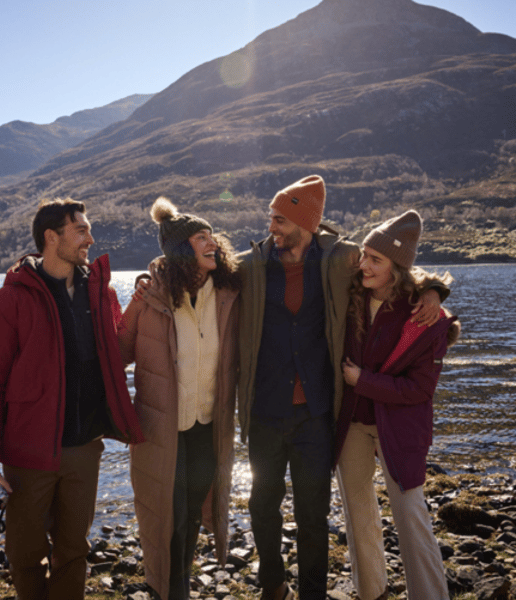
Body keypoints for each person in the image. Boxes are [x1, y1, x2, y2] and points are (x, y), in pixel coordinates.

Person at [237, 176, 447, 600]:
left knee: (321, 514)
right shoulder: (257, 266)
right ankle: (285, 586)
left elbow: (397, 268)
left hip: (329, 414)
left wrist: (433, 292)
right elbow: (205, 268)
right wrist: (161, 270)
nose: (271, 227)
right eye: (271, 218)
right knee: (273, 506)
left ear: (305, 222)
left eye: (280, 219)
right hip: (283, 411)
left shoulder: (341, 260)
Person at [0, 198, 144, 600]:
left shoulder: (101, 294)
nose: (90, 239)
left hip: (85, 448)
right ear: (52, 237)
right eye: (80, 230)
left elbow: (118, 353)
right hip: (28, 453)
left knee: (74, 550)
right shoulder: (8, 302)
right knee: (24, 553)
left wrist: (142, 300)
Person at [118, 197, 241, 600]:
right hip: (162, 429)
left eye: (211, 236)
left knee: (191, 512)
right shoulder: (151, 297)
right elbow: (117, 354)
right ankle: (171, 590)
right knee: (168, 515)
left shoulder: (228, 293)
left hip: (207, 425)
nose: (212, 243)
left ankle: (179, 587)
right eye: (201, 238)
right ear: (180, 250)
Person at [334, 210, 460, 600]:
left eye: (376, 259)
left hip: (401, 426)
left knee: (410, 514)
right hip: (352, 423)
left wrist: (362, 380)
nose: (364, 264)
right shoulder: (348, 294)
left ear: (397, 267)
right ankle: (371, 592)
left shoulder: (424, 317)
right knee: (357, 512)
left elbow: (419, 390)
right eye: (364, 255)